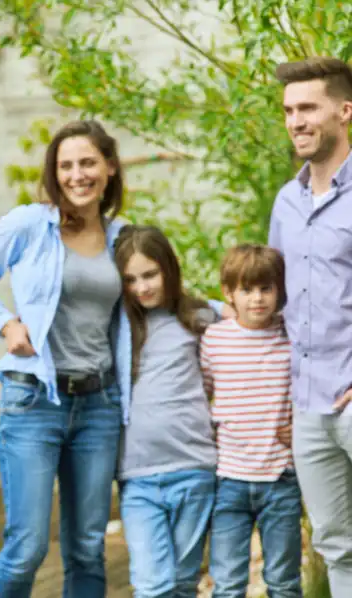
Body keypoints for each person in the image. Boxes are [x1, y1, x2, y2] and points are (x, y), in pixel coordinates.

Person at [0, 120, 129, 598]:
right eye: (65, 165)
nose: (76, 174)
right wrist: (7, 324)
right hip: (34, 402)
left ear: (109, 167)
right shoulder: (30, 225)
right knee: (26, 546)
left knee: (88, 546)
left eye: (88, 162)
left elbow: (157, 301)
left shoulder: (123, 237)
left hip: (99, 404)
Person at [269, 56, 352, 596]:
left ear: (345, 110)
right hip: (307, 403)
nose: (296, 120)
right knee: (335, 539)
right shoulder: (286, 201)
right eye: (287, 110)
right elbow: (274, 298)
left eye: (307, 108)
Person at [114, 225, 218, 598]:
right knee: (152, 585)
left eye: (150, 275)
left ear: (169, 269)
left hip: (193, 469)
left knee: (181, 583)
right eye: (130, 279)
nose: (142, 287)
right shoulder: (120, 328)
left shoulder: (203, 318)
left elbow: (252, 328)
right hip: (139, 477)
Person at [201, 244, 302, 598]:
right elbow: (201, 398)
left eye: (266, 288)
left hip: (281, 479)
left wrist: (300, 429)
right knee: (227, 584)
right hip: (229, 478)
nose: (257, 299)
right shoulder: (214, 340)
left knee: (284, 582)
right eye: (246, 290)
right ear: (228, 293)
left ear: (280, 290)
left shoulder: (292, 337)